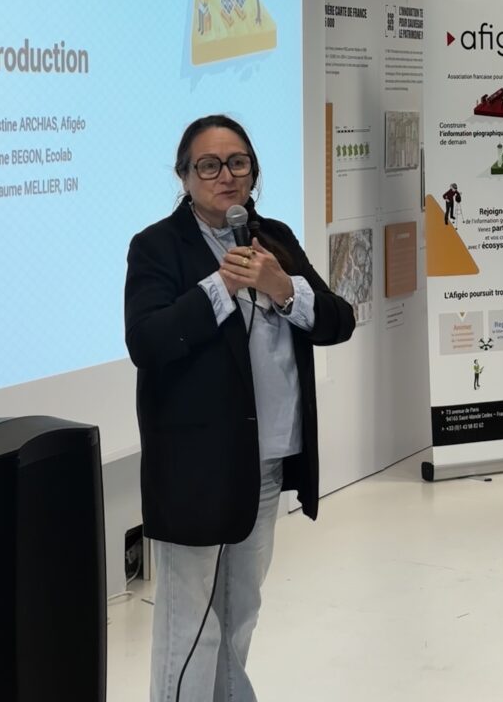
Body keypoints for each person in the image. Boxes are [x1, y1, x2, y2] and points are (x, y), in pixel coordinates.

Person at [125, 115, 355, 702]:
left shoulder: (273, 238)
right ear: (184, 176)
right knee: (189, 623)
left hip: (266, 461)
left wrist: (284, 288)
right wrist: (220, 288)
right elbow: (147, 342)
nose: (225, 176)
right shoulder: (157, 246)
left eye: (238, 163)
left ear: (253, 172)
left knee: (240, 612)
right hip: (195, 467)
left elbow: (339, 321)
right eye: (208, 165)